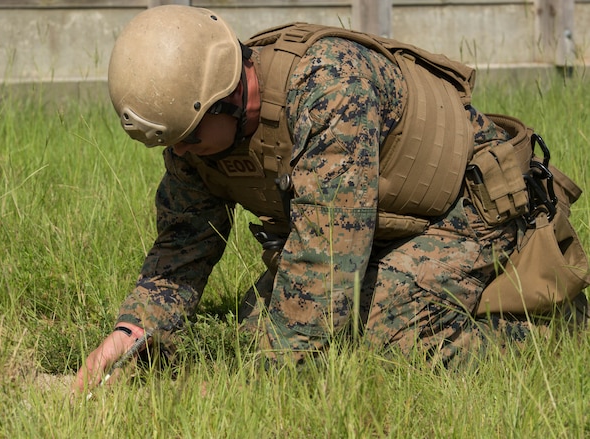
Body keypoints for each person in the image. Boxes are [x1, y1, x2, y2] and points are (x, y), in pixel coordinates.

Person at [72, 5, 589, 394]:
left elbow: (328, 254)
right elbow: (183, 242)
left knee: (390, 333)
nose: (180, 153)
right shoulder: (196, 128)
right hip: (386, 218)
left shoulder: (328, 86)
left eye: (187, 136)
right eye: (171, 142)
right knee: (254, 326)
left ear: (226, 96)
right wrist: (134, 331)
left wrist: (264, 392)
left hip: (472, 205)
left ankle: (558, 335)